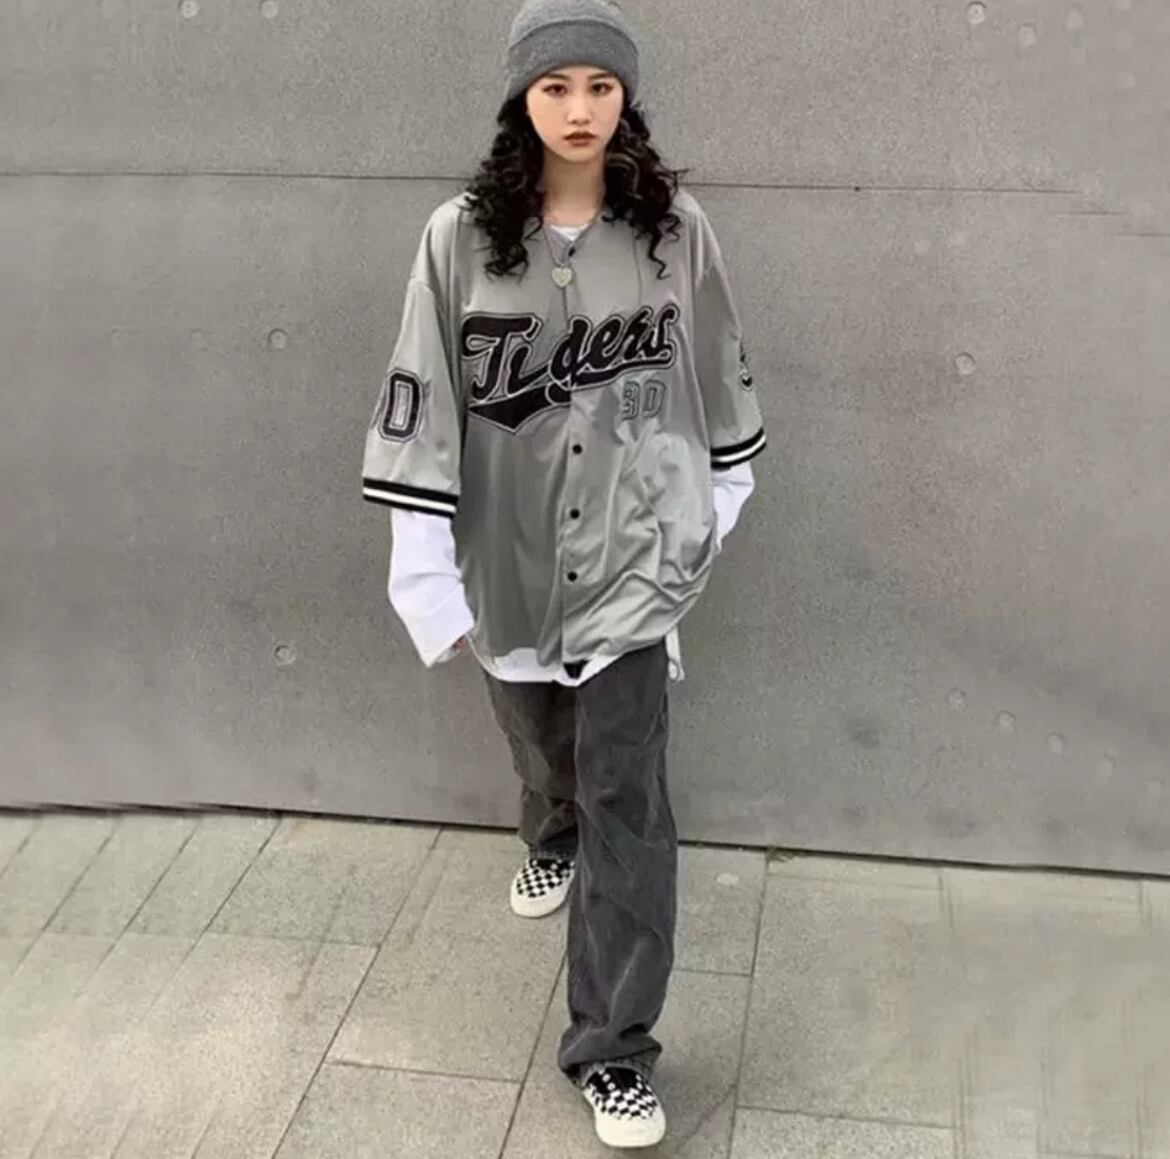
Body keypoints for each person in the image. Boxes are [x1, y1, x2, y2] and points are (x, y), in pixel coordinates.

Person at [360, 0, 765, 1147]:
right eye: (555, 86)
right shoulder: (457, 238)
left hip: (634, 568)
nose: (580, 108)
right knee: (543, 744)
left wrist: (705, 517)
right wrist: (424, 573)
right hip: (510, 559)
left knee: (629, 797)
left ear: (625, 96)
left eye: (600, 84)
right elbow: (422, 396)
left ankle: (614, 1048)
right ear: (521, 97)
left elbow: (721, 384)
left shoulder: (675, 231)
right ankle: (550, 831)